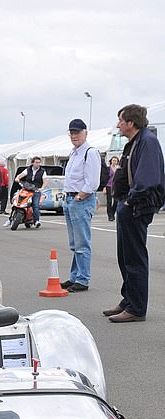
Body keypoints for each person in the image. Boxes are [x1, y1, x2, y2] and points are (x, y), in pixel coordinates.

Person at [103, 104, 165, 323]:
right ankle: (127, 300)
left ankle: (137, 308)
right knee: (125, 257)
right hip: (127, 206)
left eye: (120, 120)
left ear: (131, 123)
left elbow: (148, 179)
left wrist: (130, 201)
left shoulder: (147, 142)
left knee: (134, 259)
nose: (118, 124)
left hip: (136, 207)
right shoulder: (134, 142)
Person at [59, 119, 101, 292]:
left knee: (82, 243)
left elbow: (92, 182)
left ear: (85, 132)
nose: (74, 136)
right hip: (70, 199)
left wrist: (79, 197)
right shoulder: (74, 152)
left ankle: (83, 279)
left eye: (77, 132)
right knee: (75, 243)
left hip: (80, 200)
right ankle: (75, 276)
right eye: (72, 133)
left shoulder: (89, 152)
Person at [15, 156, 46, 228]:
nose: (38, 164)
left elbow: (45, 181)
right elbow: (21, 175)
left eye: (39, 162)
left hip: (36, 190)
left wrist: (42, 188)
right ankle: (10, 219)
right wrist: (17, 178)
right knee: (17, 199)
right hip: (27, 189)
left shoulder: (42, 171)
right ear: (32, 163)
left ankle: (36, 221)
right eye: (36, 162)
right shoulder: (28, 169)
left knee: (35, 205)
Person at [105, 156, 120, 222]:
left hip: (116, 186)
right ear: (111, 161)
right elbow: (105, 178)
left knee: (116, 201)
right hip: (109, 186)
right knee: (109, 201)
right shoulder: (108, 169)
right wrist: (104, 187)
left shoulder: (118, 169)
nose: (114, 162)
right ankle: (110, 216)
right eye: (113, 160)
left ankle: (113, 213)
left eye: (115, 160)